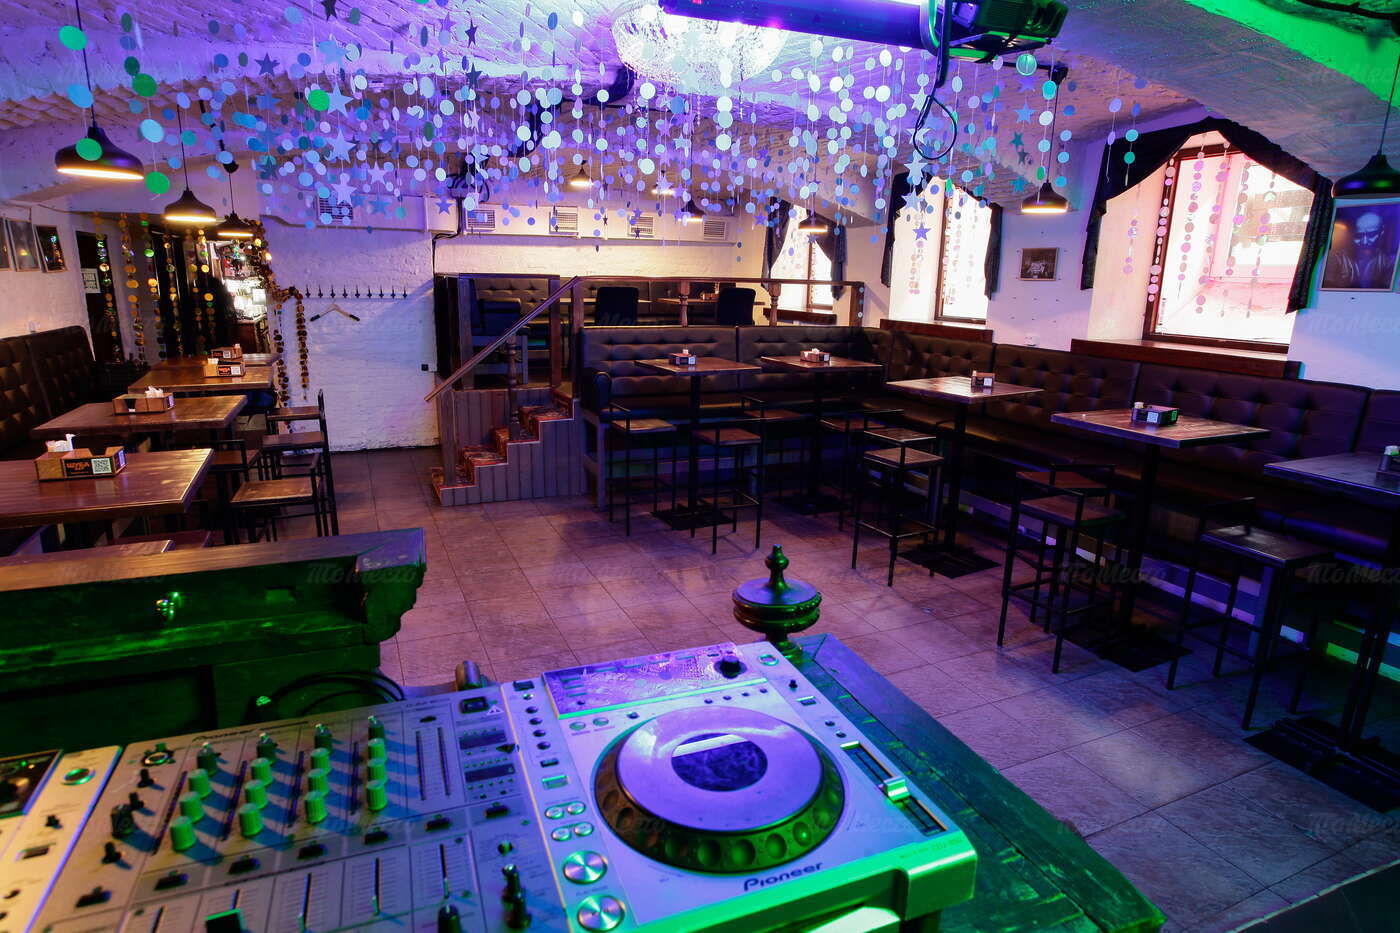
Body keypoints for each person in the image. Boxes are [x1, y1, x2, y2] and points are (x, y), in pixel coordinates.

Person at [1326, 209, 1397, 290]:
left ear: (1381, 232)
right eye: (1358, 235)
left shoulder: (1389, 261)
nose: (1364, 242)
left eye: (1371, 234)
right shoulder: (1335, 258)